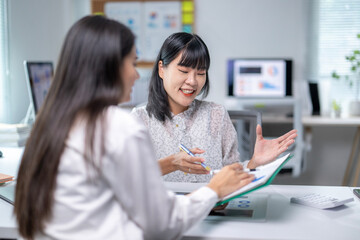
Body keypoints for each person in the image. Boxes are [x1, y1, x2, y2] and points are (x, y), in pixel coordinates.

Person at [14, 15, 255, 240]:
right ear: (107, 68)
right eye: (132, 62)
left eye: (200, 73)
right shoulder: (121, 126)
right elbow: (162, 222)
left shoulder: (51, 124)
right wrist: (213, 190)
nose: (136, 75)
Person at [132, 32, 297, 183]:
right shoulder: (139, 119)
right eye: (183, 71)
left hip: (211, 211)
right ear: (162, 69)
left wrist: (255, 162)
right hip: (159, 214)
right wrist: (171, 163)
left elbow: (231, 176)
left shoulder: (217, 114)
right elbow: (125, 178)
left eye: (201, 73)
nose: (193, 81)